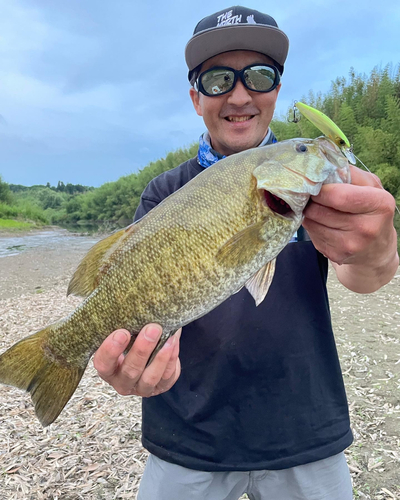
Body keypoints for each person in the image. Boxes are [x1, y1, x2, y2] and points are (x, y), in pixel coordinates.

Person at [93, 6, 399, 499]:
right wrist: (129, 366)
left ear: (277, 89)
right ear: (196, 98)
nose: (239, 95)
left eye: (259, 75)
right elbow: (131, 296)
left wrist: (378, 247)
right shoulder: (163, 193)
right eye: (217, 79)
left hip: (306, 432)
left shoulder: (310, 191)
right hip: (188, 437)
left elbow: (363, 277)